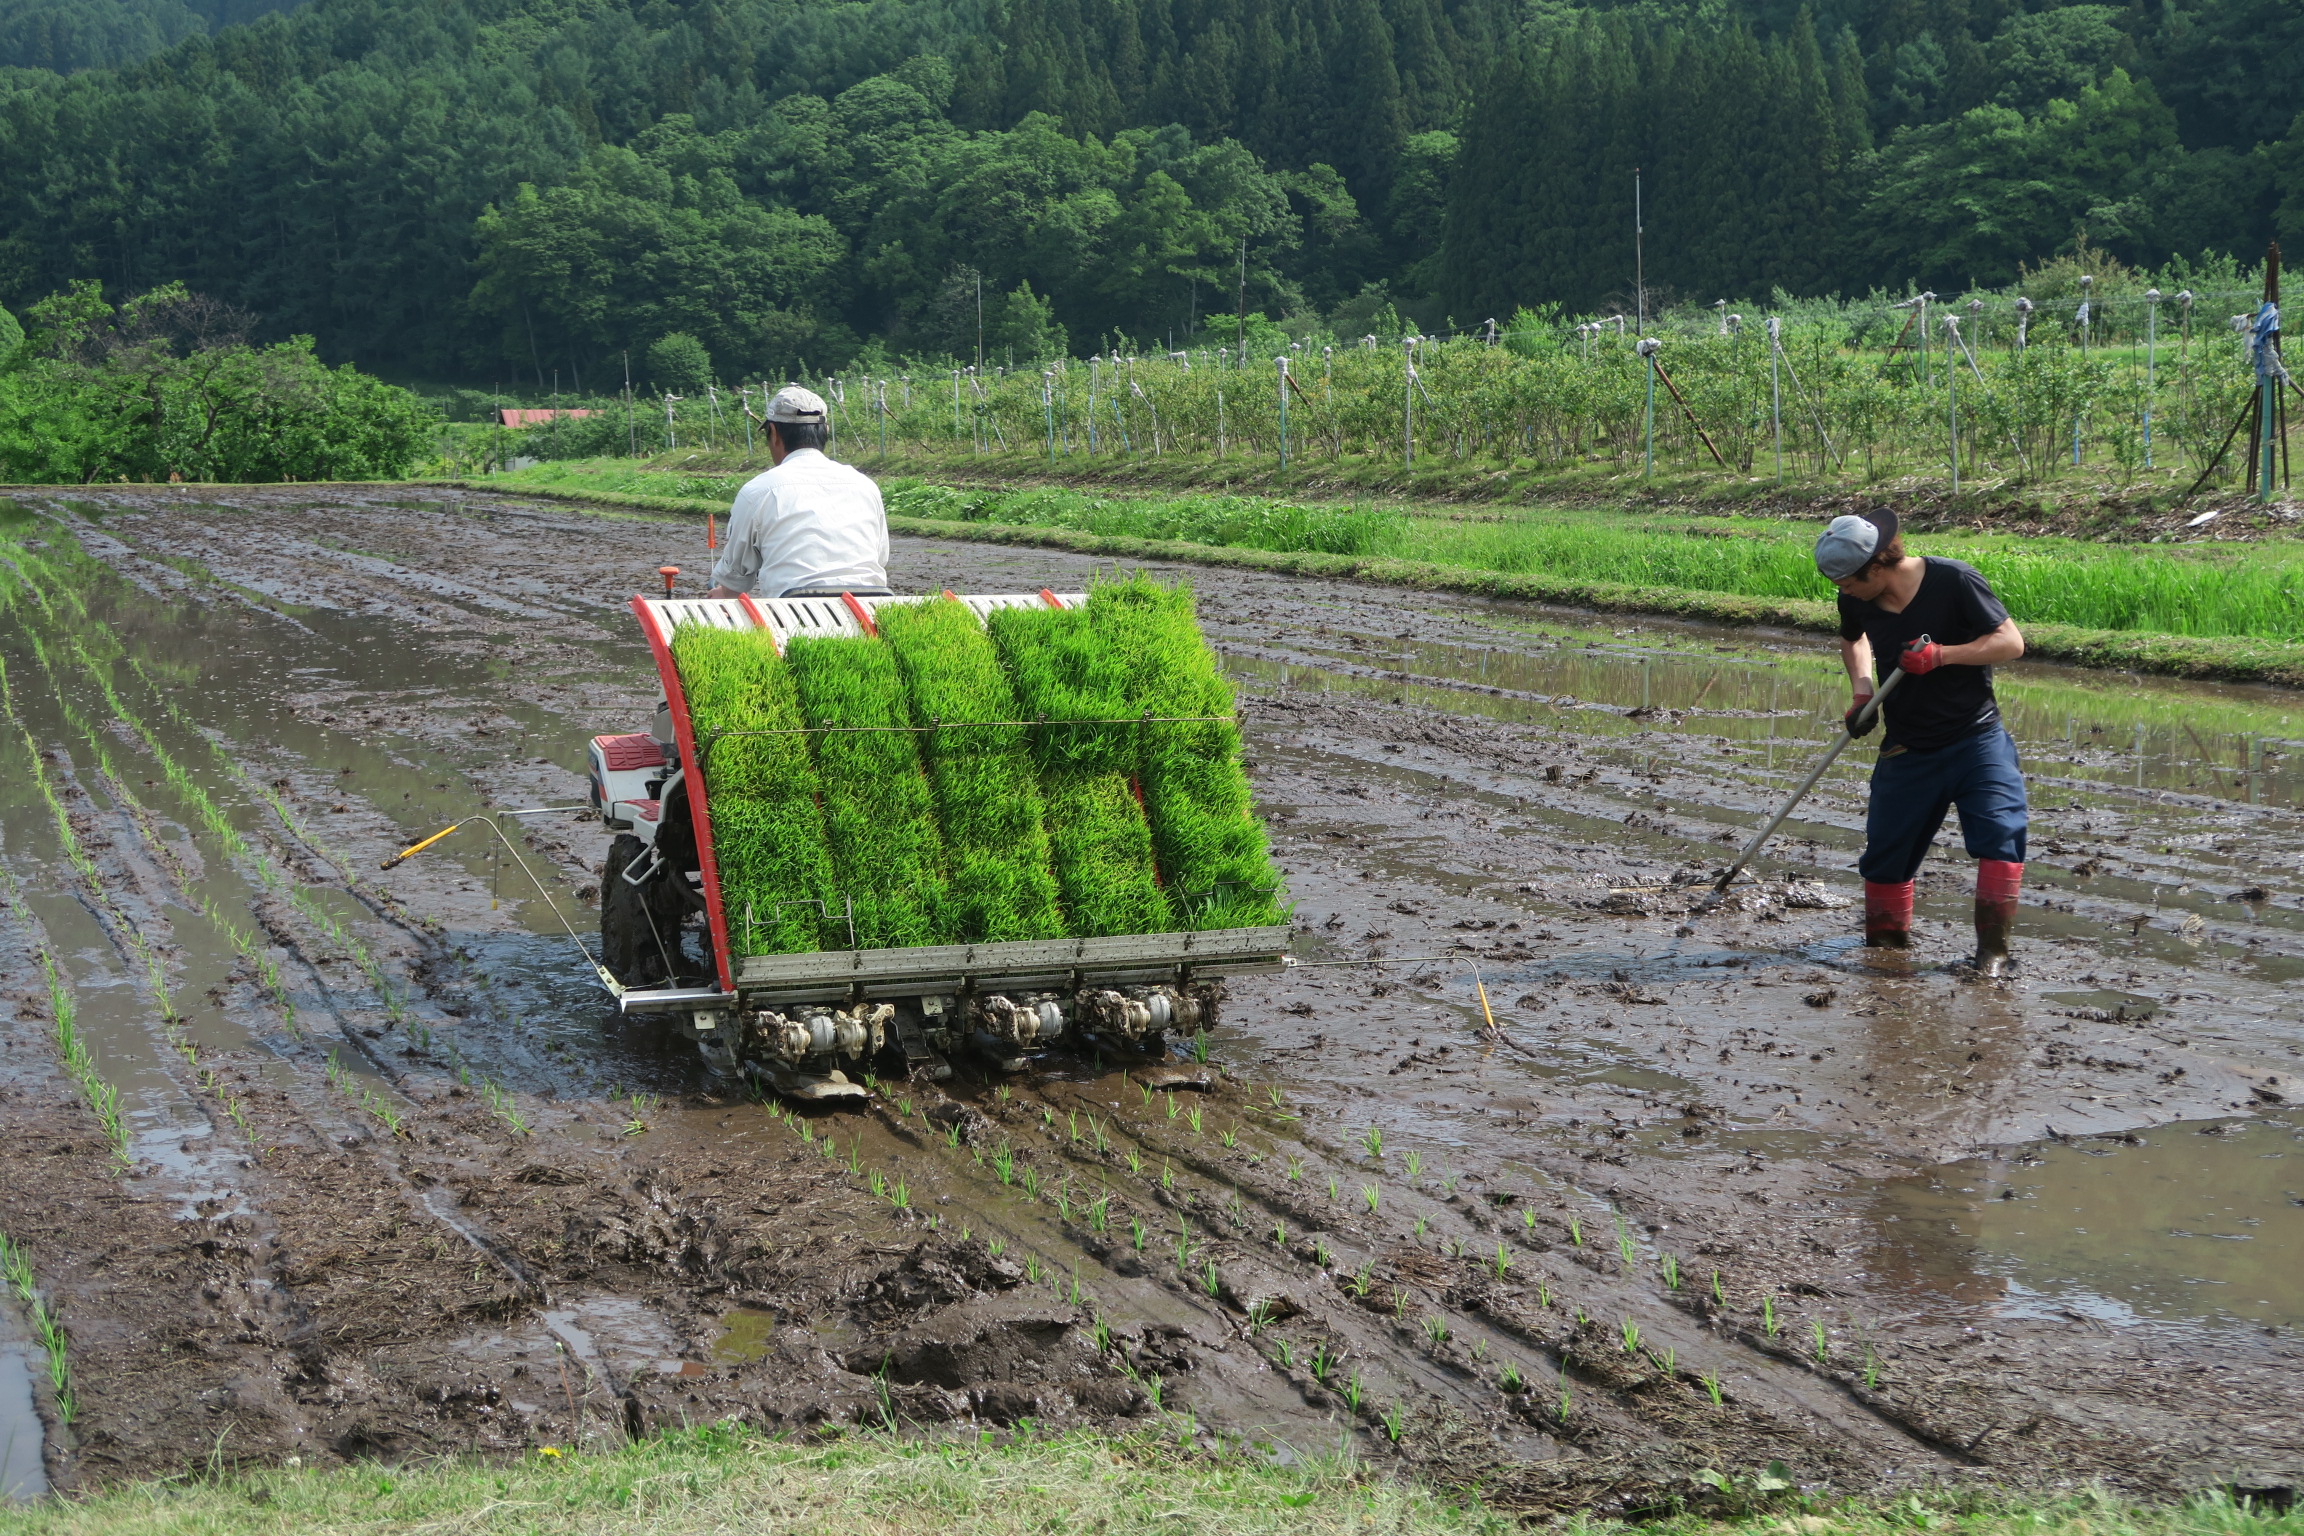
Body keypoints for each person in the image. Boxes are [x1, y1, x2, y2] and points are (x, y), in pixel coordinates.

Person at [1814, 509, 2028, 975]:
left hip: (1976, 738)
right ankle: (1887, 956)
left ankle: (1992, 956)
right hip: (1908, 746)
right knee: (1885, 858)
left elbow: (2010, 643)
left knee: (2000, 837)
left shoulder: (1953, 579)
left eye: (1847, 581)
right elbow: (1854, 641)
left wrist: (1942, 656)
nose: (1841, 591)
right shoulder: (1856, 600)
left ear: (1876, 567)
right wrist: (1862, 691)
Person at [707, 385, 892, 599]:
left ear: (774, 433)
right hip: (870, 609)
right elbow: (879, 558)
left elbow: (736, 576)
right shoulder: (865, 485)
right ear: (826, 431)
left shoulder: (759, 491)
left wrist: (723, 592)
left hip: (794, 613)